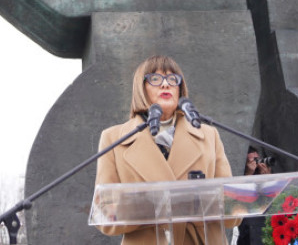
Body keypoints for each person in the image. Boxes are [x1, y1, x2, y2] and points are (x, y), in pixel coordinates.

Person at [94, 55, 238, 245]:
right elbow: (104, 214)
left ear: (180, 88)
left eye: (172, 79)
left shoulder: (209, 135)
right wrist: (156, 204)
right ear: (141, 87)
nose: (165, 85)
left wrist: (205, 200)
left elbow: (234, 212)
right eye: (155, 79)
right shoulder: (114, 139)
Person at [235, 148, 271, 245]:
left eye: (257, 160)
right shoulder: (239, 183)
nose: (257, 164)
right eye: (253, 161)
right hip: (248, 238)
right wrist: (248, 175)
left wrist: (268, 180)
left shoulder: (265, 182)